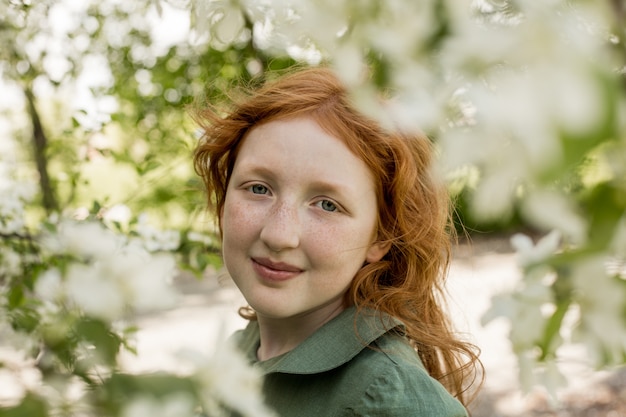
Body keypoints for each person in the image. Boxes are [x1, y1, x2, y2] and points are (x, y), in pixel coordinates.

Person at [193, 66, 482, 416]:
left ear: (381, 236)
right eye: (258, 188)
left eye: (327, 205)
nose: (278, 234)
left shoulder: (386, 397)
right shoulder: (238, 350)